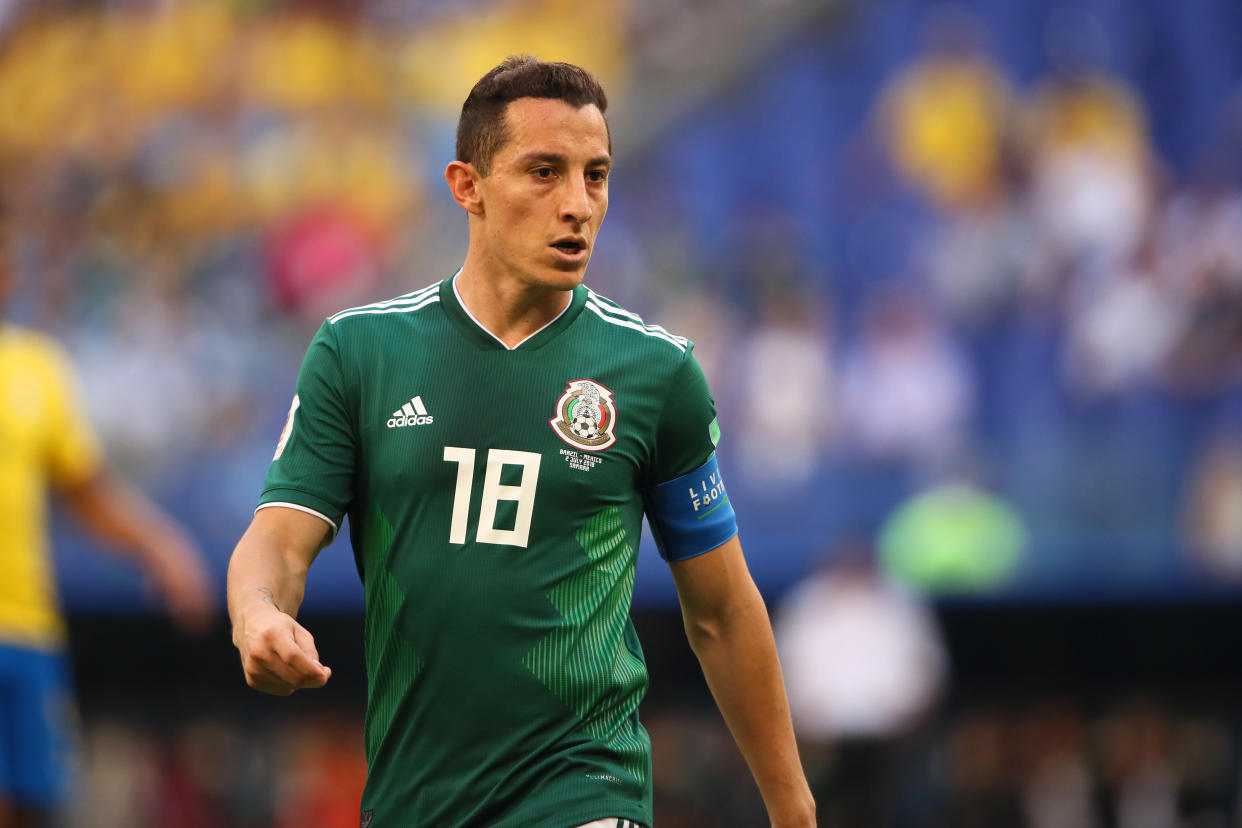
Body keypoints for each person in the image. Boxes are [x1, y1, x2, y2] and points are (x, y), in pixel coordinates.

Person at [227, 56, 815, 828]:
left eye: (595, 175)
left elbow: (723, 611)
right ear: (466, 185)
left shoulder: (654, 373)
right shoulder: (361, 353)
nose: (577, 204)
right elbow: (278, 538)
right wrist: (258, 615)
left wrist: (793, 806)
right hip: (414, 800)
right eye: (544, 172)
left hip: (583, 790)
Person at [0, 219, 214, 828]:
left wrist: (161, 546)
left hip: (27, 629)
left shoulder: (35, 367)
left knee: (37, 805)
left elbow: (84, 489)